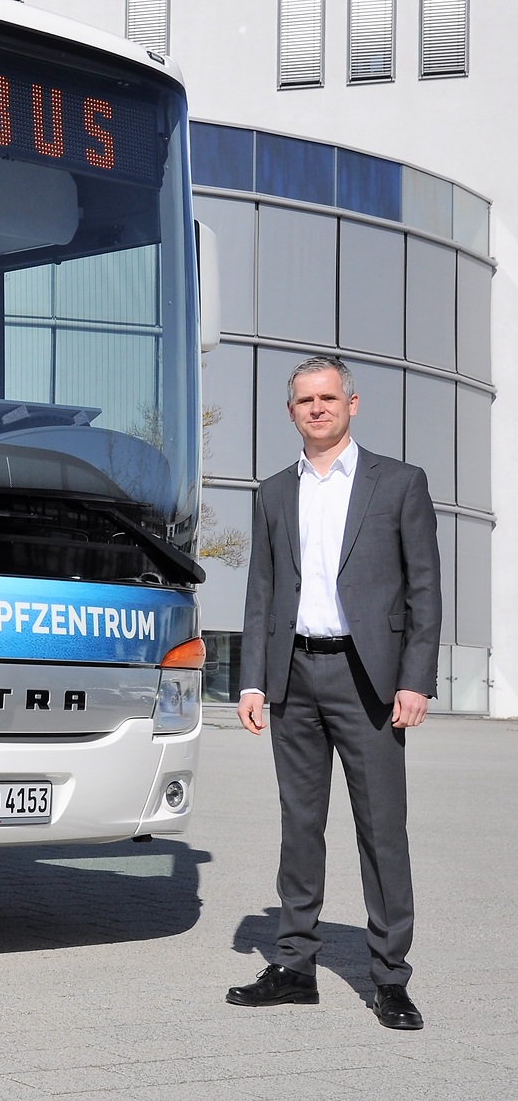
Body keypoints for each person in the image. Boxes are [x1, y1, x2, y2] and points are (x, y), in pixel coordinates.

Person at [228, 355, 439, 1031]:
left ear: (352, 403)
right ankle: (294, 967)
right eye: (303, 401)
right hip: (294, 678)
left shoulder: (399, 484)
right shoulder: (271, 493)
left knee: (382, 831)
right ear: (291, 411)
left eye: (327, 397)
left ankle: (390, 978)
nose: (315, 409)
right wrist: (253, 679)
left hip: (368, 680)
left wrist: (415, 679)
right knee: (300, 826)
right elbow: (260, 593)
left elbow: (424, 591)